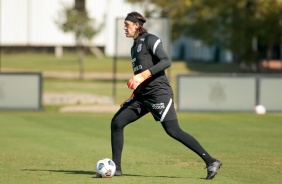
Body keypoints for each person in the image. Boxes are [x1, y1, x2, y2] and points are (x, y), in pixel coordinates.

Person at [111, 11, 222, 180]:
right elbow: (142, 75)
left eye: (127, 25)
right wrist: (133, 96)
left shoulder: (150, 39)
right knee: (117, 122)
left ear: (136, 25)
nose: (124, 28)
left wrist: (142, 75)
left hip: (159, 94)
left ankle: (211, 161)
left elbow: (166, 61)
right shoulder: (134, 47)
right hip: (142, 96)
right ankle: (116, 168)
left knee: (173, 130)